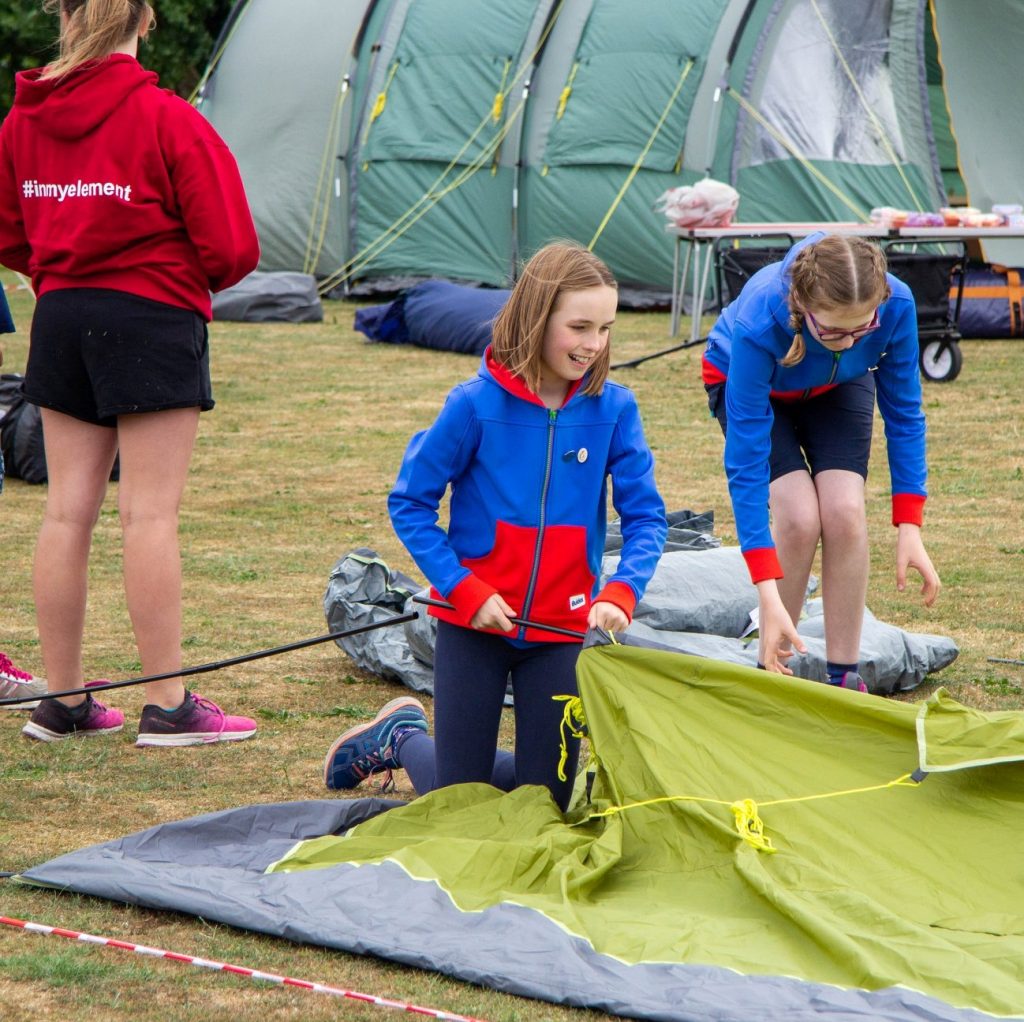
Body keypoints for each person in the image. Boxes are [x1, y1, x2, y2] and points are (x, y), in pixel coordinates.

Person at [323, 242, 668, 811]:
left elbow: (647, 518)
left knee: (547, 804)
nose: (593, 344)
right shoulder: (473, 405)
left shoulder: (616, 410)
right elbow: (410, 504)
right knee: (460, 800)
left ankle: (479, 762)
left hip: (559, 632)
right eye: (579, 326)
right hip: (473, 629)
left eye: (605, 328)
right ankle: (402, 740)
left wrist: (622, 591)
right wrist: (463, 589)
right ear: (536, 318)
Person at [0, 0, 261, 744]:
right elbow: (233, 245)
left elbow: (10, 232)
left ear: (65, 16)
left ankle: (64, 701)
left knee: (64, 513)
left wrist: (67, 265)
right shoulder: (166, 117)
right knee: (148, 514)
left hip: (61, 317)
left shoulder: (22, 120)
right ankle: (169, 705)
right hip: (149, 316)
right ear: (144, 21)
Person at [702, 232, 941, 685]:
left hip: (836, 386)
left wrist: (910, 526)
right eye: (832, 330)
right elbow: (747, 463)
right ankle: (771, 668)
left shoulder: (896, 306)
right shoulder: (759, 321)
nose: (850, 341)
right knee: (797, 517)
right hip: (754, 387)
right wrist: (765, 591)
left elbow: (905, 415)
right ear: (802, 306)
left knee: (845, 511)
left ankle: (843, 675)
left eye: (862, 328)